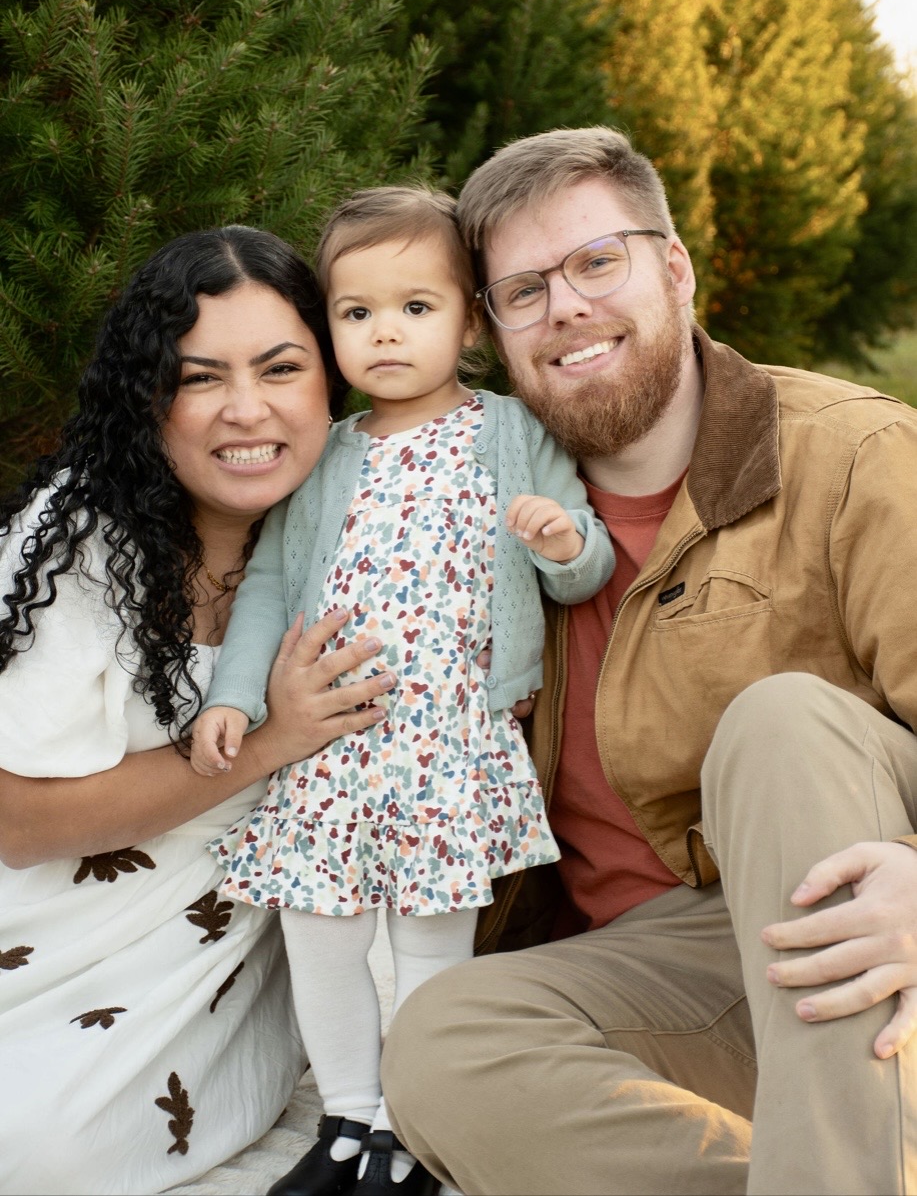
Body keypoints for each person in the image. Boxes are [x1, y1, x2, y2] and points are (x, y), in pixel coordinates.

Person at [380, 127, 917, 1196]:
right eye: (522, 290)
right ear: (492, 329)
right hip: (677, 972)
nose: (563, 307)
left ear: (673, 269)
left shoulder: (853, 454)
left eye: (595, 261)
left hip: (865, 915)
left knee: (781, 721)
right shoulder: (474, 511)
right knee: (441, 1040)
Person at [190, 186, 616, 1196]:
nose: (385, 331)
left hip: (449, 745)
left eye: (416, 307)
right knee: (321, 938)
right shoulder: (327, 452)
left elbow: (583, 568)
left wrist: (562, 543)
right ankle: (345, 1116)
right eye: (357, 311)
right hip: (331, 748)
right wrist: (233, 695)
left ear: (468, 322)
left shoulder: (511, 432)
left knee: (430, 946)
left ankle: (412, 1125)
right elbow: (269, 583)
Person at [0, 226, 396, 1196]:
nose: (246, 408)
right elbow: (16, 822)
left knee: (55, 1146)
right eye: (199, 377)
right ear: (149, 399)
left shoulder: (372, 528)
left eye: (280, 367)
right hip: (48, 919)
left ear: (332, 378)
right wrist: (269, 742)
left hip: (221, 952)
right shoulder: (80, 541)